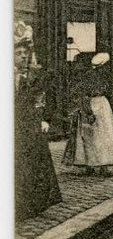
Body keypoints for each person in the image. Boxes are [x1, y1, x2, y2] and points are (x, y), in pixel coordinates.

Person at [15, 21, 63, 222]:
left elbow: (46, 98)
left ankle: (32, 204)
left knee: (32, 165)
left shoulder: (36, 75)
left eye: (25, 53)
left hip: (30, 124)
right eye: (19, 53)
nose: (23, 56)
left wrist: (45, 118)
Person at [64, 51, 113, 174]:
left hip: (100, 105)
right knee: (96, 135)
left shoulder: (97, 76)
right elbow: (84, 94)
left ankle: (96, 164)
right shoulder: (93, 76)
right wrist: (88, 111)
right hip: (95, 104)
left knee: (97, 136)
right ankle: (95, 164)